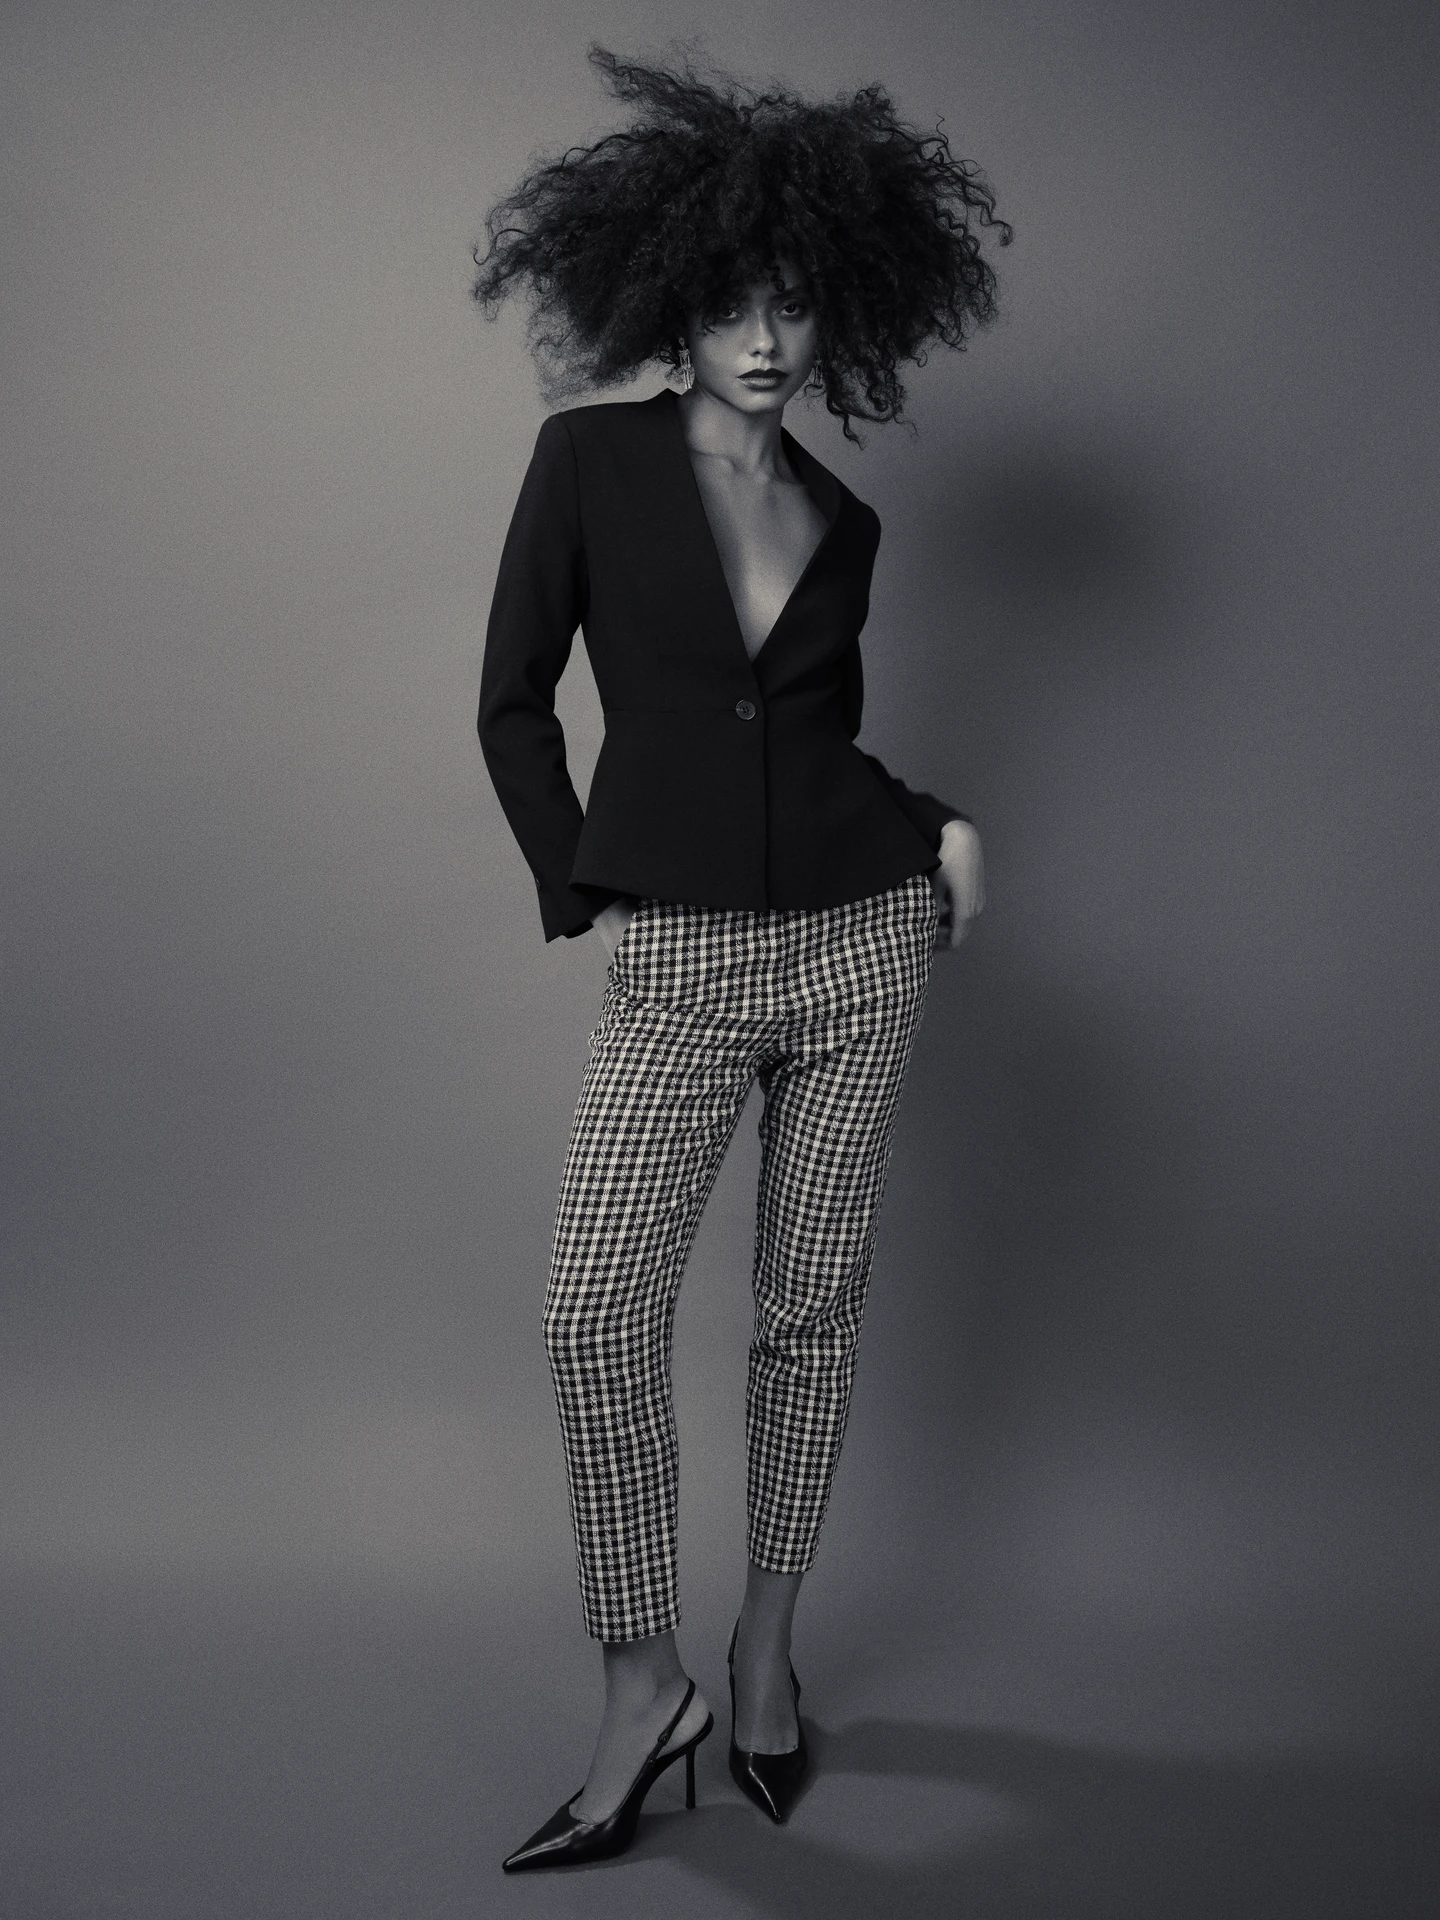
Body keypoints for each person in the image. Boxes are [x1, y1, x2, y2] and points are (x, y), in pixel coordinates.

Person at [472, 47, 1008, 1870]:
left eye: (795, 303)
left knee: (808, 1313)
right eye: (729, 304)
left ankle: (767, 1660)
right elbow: (512, 703)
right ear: (669, 304)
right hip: (683, 964)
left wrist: (933, 822)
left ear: (843, 304)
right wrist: (590, 884)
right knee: (594, 1314)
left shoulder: (846, 524)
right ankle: (650, 1685)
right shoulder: (591, 463)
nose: (765, 338)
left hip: (864, 945)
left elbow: (813, 746)